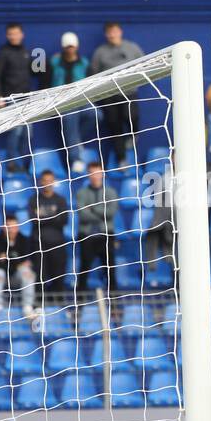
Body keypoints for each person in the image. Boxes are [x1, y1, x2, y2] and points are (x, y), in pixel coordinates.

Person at [89, 22, 144, 166]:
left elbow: (145, 64)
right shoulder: (100, 52)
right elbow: (94, 73)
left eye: (114, 31)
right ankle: (121, 159)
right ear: (106, 35)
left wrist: (136, 82)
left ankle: (134, 134)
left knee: (130, 116)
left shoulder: (132, 48)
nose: (112, 34)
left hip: (129, 92)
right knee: (115, 127)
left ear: (120, 31)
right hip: (109, 96)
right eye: (109, 32)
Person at [0, 22, 36, 171]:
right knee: (16, 130)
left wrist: (42, 62)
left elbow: (36, 72)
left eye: (16, 33)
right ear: (7, 35)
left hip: (26, 99)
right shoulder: (3, 53)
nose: (13, 36)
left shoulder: (26, 51)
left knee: (28, 132)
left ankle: (23, 163)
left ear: (21, 34)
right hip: (10, 98)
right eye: (10, 34)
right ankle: (12, 162)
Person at [49, 32, 90, 171]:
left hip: (81, 99)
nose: (69, 49)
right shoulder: (54, 62)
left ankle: (75, 142)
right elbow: (45, 79)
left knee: (96, 114)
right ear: (63, 47)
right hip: (61, 101)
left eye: (72, 46)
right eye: (67, 46)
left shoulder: (84, 62)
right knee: (70, 115)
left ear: (76, 46)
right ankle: (76, 158)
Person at [75, 162, 118, 289]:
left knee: (110, 270)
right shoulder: (82, 193)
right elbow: (83, 214)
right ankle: (80, 306)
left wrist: (92, 208)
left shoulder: (110, 192)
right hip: (87, 236)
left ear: (102, 174)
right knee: (84, 270)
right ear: (88, 174)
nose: (95, 176)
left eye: (97, 173)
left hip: (106, 235)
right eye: (92, 173)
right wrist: (101, 212)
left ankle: (114, 306)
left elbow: (110, 213)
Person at [0, 216, 38, 318]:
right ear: (3, 227)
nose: (11, 230)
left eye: (14, 227)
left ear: (18, 227)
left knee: (27, 272)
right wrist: (16, 263)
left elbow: (28, 262)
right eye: (9, 227)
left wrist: (5, 259)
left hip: (17, 276)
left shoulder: (25, 241)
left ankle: (28, 306)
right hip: (1, 277)